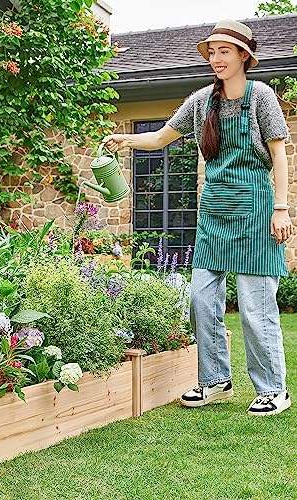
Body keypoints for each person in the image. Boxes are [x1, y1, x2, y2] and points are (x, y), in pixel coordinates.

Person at [101, 19, 294, 416]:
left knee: (255, 308)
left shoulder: (261, 97)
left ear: (244, 56)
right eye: (212, 52)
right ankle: (216, 380)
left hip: (257, 211)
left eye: (225, 52)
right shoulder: (202, 101)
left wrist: (281, 208)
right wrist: (125, 139)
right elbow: (160, 137)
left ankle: (273, 389)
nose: (216, 59)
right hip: (214, 212)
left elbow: (279, 154)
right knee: (201, 300)